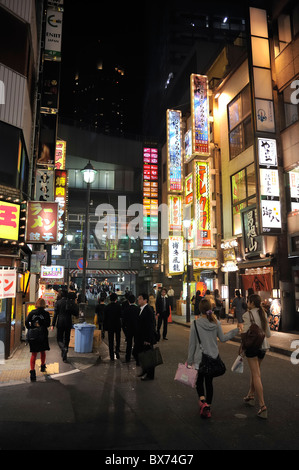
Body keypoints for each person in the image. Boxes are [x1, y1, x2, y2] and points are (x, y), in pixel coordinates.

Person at [187, 299, 240, 419]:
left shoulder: (195, 324)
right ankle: (208, 407)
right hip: (213, 358)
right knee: (209, 383)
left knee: (199, 381)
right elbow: (223, 338)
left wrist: (189, 361)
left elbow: (192, 344)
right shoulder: (215, 323)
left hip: (200, 359)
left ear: (200, 310)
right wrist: (235, 331)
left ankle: (202, 401)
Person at [240, 294, 271, 419]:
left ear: (252, 302)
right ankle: (250, 395)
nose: (247, 303)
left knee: (256, 374)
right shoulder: (263, 314)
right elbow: (268, 334)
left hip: (252, 348)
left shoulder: (247, 315)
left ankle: (263, 406)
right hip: (263, 347)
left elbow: (245, 333)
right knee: (256, 372)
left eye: (248, 301)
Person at [25, 298, 51, 382]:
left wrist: (31, 328)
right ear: (44, 304)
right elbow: (48, 324)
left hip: (33, 335)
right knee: (42, 351)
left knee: (34, 354)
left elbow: (26, 322)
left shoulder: (32, 313)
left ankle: (32, 372)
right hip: (42, 335)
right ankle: (43, 366)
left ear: (36, 304)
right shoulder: (46, 313)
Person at [52, 290, 79, 362]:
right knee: (67, 338)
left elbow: (55, 315)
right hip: (68, 322)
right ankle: (65, 356)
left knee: (59, 339)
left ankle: (63, 349)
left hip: (60, 322)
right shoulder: (70, 302)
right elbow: (75, 313)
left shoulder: (58, 302)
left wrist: (53, 324)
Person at [135, 293, 157, 381]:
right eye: (138, 298)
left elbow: (150, 326)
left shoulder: (148, 310)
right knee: (141, 354)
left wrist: (148, 339)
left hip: (147, 338)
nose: (138, 300)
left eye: (140, 299)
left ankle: (150, 375)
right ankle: (144, 370)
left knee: (149, 356)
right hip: (141, 337)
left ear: (145, 300)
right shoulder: (141, 309)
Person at [103, 292, 122, 361]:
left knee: (110, 340)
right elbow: (121, 316)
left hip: (110, 325)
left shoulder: (107, 307)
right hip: (117, 325)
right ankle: (117, 350)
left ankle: (111, 355)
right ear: (116, 299)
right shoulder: (119, 306)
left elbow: (105, 318)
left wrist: (104, 328)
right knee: (118, 339)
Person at [123, 295, 139, 362]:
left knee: (129, 344)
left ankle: (127, 358)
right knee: (137, 343)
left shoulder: (126, 310)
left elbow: (123, 322)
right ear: (135, 301)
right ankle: (136, 357)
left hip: (129, 329)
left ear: (128, 301)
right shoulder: (138, 309)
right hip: (136, 328)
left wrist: (125, 330)